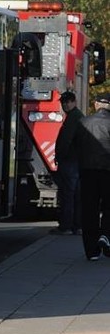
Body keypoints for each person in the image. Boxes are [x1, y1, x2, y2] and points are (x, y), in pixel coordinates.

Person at [74, 92, 110, 261]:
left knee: (89, 210)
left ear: (96, 105)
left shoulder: (84, 122)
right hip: (108, 172)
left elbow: (75, 147)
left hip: (87, 172)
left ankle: (91, 250)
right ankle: (106, 236)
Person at [50, 91, 83, 235]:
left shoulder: (73, 118)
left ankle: (66, 226)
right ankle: (76, 225)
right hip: (75, 161)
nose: (65, 104)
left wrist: (60, 156)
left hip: (70, 161)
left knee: (68, 194)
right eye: (63, 102)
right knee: (75, 195)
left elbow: (66, 140)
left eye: (67, 101)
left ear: (74, 102)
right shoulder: (76, 116)